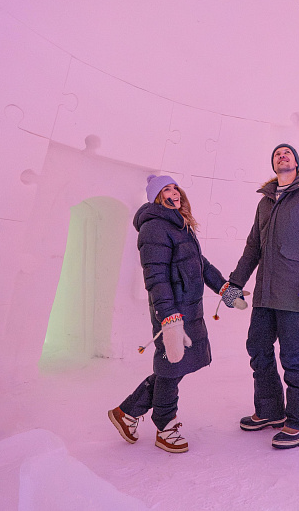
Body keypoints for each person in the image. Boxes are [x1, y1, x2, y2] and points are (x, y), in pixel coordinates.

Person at [108, 174, 237, 453]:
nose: (174, 192)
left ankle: (126, 412)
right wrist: (168, 316)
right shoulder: (154, 227)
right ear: (157, 197)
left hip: (188, 308)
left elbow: (199, 263)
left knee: (174, 367)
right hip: (172, 312)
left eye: (175, 187)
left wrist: (223, 288)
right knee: (170, 368)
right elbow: (155, 276)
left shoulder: (179, 224)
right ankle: (165, 427)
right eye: (166, 189)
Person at [220, 143, 299, 449]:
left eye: (287, 153)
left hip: (296, 290)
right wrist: (235, 283)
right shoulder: (265, 202)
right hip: (265, 292)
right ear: (273, 164)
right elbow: (253, 247)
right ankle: (270, 411)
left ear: (296, 162)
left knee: (293, 356)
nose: (282, 156)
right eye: (277, 154)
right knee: (257, 348)